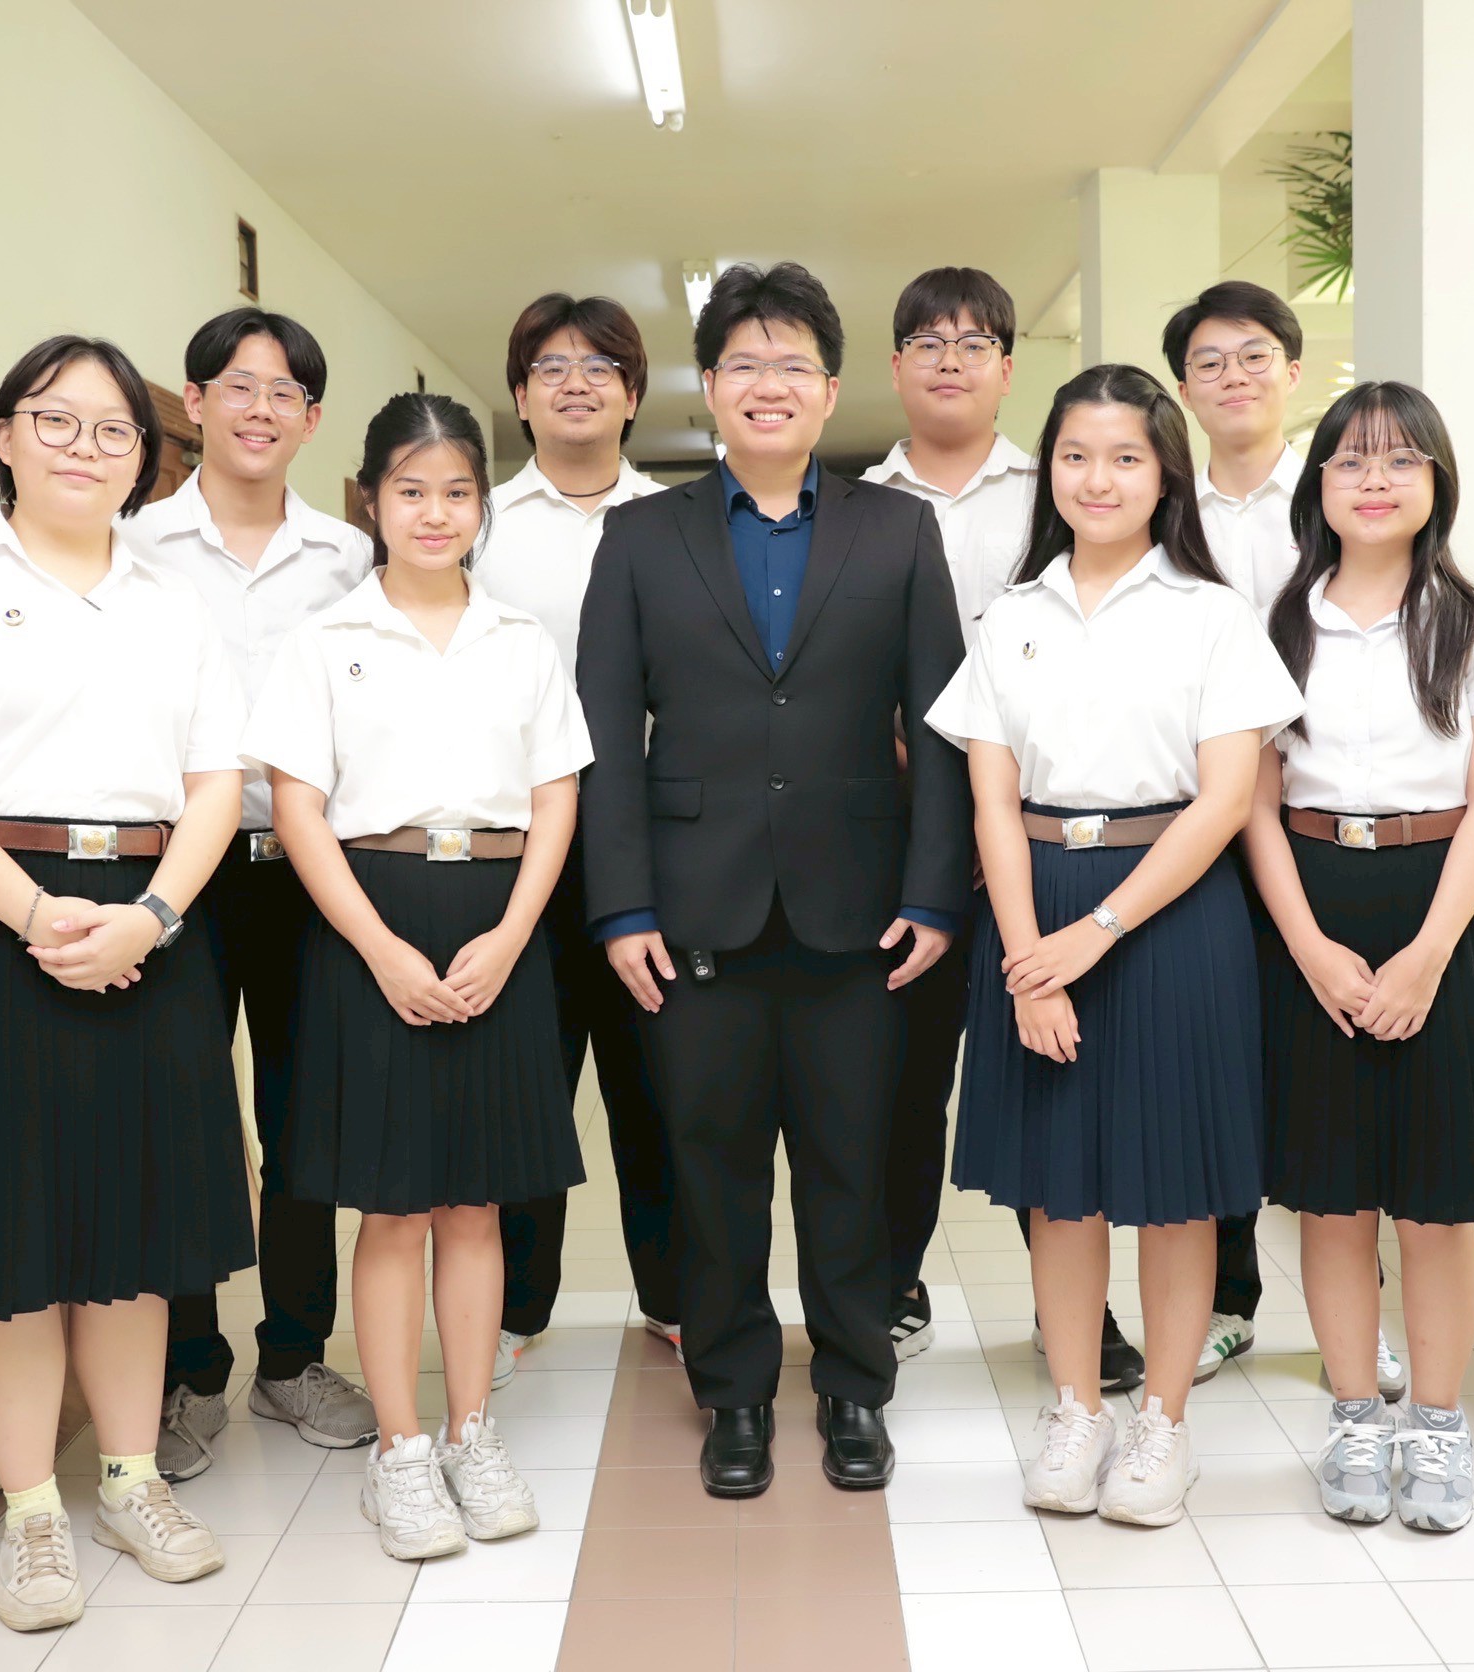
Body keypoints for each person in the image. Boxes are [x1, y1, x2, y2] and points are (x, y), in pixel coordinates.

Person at [0, 335, 250, 1631]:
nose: (84, 446)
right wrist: (29, 910)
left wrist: (155, 915)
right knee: (2, 1225)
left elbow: (216, 784)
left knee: (133, 1229)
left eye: (114, 429)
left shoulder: (175, 602)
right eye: (55, 420)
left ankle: (130, 1481)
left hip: (149, 925)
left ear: (145, 459)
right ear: (6, 436)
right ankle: (31, 1514)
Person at [576, 261, 971, 1500]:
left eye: (792, 364)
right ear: (709, 385)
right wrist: (622, 906)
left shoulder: (897, 531)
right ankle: (735, 1392)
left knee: (854, 1161)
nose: (768, 384)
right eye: (743, 363)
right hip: (696, 909)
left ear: (830, 390)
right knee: (713, 1167)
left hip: (861, 912)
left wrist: (934, 893)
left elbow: (943, 728)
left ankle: (855, 1384)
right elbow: (604, 734)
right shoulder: (640, 538)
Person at [927, 362, 1302, 1526]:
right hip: (1036, 899)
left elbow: (1225, 798)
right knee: (1061, 1189)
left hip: (1173, 911)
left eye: (1126, 457)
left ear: (1164, 475)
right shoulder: (1012, 617)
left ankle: (1163, 1425)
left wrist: (1095, 933)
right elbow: (992, 801)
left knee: (1177, 1188)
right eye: (1077, 456)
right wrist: (1028, 954)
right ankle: (1078, 1408)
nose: (1099, 478)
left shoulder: (1212, 614)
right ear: (1052, 471)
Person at [243, 392, 592, 1560]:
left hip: (498, 917)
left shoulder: (521, 639)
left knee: (477, 1201)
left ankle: (470, 1431)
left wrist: (515, 932)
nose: (434, 513)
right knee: (393, 1204)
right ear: (370, 501)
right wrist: (380, 948)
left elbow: (557, 799)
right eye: (410, 490)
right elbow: (299, 809)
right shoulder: (325, 640)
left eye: (455, 492)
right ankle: (400, 1449)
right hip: (369, 916)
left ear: (482, 505)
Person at [1244, 380, 1474, 1534]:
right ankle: (1356, 1415)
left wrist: (1426, 957)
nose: (1376, 480)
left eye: (1401, 460)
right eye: (1352, 460)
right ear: (1317, 482)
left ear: (1435, 483)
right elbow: (1255, 805)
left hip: (1442, 906)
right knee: (1331, 1196)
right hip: (1310, 902)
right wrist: (1308, 948)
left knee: (1435, 1204)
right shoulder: (1275, 624)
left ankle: (1440, 1425)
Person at [865, 266, 1148, 1391]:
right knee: (900, 1079)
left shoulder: (1061, 490)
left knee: (1055, 1065)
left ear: (1008, 368)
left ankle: (1070, 1308)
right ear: (894, 368)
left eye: (974, 342)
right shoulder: (857, 504)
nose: (951, 360)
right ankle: (891, 1282)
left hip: (1043, 830)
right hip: (902, 833)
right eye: (928, 342)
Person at [119, 306, 378, 1480]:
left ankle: (293, 1356)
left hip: (306, 867)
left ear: (311, 420)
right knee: (180, 1116)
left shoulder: (349, 560)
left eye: (285, 393)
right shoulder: (134, 547)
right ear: (195, 401)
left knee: (305, 1121)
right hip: (179, 868)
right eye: (239, 385)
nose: (261, 409)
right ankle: (187, 1368)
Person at [1164, 279, 1408, 1398]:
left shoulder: (1334, 495)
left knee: (1334, 1070)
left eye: (1254, 355)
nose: (1234, 377)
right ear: (1183, 387)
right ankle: (1229, 1301)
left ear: (1294, 372)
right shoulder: (1167, 508)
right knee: (1215, 1063)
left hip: (1311, 817)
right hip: (1196, 820)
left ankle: (1360, 1321)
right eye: (1208, 362)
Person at [475, 293, 680, 1386]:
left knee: (659, 1080)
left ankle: (675, 1296)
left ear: (633, 394)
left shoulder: (679, 520)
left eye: (601, 367)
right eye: (550, 367)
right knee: (527, 1079)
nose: (575, 384)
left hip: (649, 839)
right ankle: (516, 1306)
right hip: (517, 841)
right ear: (520, 396)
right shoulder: (481, 523)